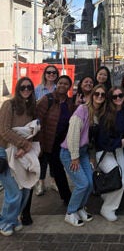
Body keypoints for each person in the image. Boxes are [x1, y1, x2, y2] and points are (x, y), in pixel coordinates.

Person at [60, 84, 107, 226]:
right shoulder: (82, 110)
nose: (99, 96)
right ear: (92, 95)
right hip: (70, 153)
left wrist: (91, 156)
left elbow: (91, 139)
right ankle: (70, 212)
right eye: (96, 93)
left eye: (102, 95)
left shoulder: (98, 114)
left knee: (91, 183)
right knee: (82, 184)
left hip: (84, 152)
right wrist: (74, 157)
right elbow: (73, 134)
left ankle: (80, 208)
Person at [0, 77, 37, 236]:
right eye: (23, 87)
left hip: (21, 153)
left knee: (26, 190)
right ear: (17, 89)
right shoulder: (9, 105)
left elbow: (30, 131)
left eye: (29, 87)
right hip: (4, 151)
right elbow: (4, 131)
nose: (26, 90)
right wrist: (25, 144)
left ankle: (13, 218)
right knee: (13, 191)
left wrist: (26, 146)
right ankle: (5, 222)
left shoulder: (30, 107)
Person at [36, 75, 75, 206]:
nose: (62, 86)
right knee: (57, 170)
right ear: (56, 84)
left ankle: (67, 197)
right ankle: (67, 198)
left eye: (66, 84)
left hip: (63, 142)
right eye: (60, 83)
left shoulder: (70, 102)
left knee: (60, 170)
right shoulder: (47, 99)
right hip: (48, 142)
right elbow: (37, 121)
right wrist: (40, 142)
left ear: (69, 87)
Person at [95, 86, 124, 221]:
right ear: (110, 98)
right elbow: (102, 140)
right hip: (105, 152)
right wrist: (118, 143)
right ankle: (107, 208)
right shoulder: (105, 115)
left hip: (119, 151)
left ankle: (108, 197)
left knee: (123, 180)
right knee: (119, 179)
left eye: (120, 95)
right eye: (114, 96)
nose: (118, 98)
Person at [34, 65, 60, 196]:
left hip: (55, 127)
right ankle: (41, 182)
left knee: (54, 157)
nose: (51, 74)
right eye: (49, 72)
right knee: (42, 157)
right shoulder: (38, 89)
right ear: (44, 74)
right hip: (41, 127)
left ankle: (54, 181)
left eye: (54, 72)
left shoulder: (59, 88)